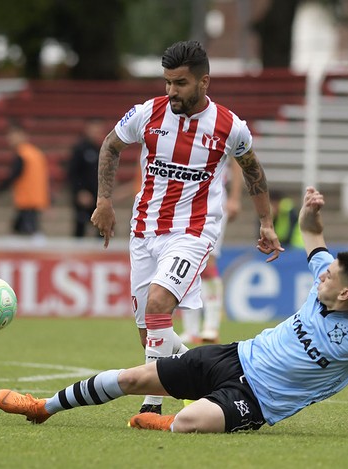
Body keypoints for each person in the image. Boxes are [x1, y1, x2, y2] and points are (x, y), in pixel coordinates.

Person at [0, 186, 348, 442]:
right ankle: (43, 407)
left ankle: (170, 418)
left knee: (187, 423)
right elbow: (314, 235)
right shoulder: (331, 279)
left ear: (344, 293)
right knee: (131, 378)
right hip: (233, 356)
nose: (320, 275)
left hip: (257, 402)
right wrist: (310, 212)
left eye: (328, 277)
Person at [89, 40, 283, 416]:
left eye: (179, 83)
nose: (170, 91)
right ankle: (209, 374)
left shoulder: (230, 126)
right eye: (166, 82)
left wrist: (265, 222)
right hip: (144, 231)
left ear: (204, 82)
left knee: (161, 304)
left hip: (193, 232)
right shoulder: (147, 113)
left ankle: (151, 407)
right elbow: (111, 147)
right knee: (150, 333)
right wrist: (104, 200)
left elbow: (253, 171)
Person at [180, 159, 243, 344]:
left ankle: (211, 326)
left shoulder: (223, 130)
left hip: (212, 199)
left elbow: (237, 160)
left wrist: (234, 198)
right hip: (184, 198)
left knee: (208, 261)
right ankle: (191, 329)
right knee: (184, 260)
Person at [0, 122, 50, 236]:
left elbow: (12, 177)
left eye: (12, 135)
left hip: (27, 200)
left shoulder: (23, 155)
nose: (10, 139)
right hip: (34, 200)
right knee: (19, 230)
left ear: (22, 135)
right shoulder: (35, 153)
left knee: (31, 233)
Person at [66, 119, 104, 238]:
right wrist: (79, 192)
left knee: (103, 229)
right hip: (84, 196)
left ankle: (101, 255)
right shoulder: (80, 149)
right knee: (81, 228)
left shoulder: (101, 149)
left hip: (98, 197)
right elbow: (72, 173)